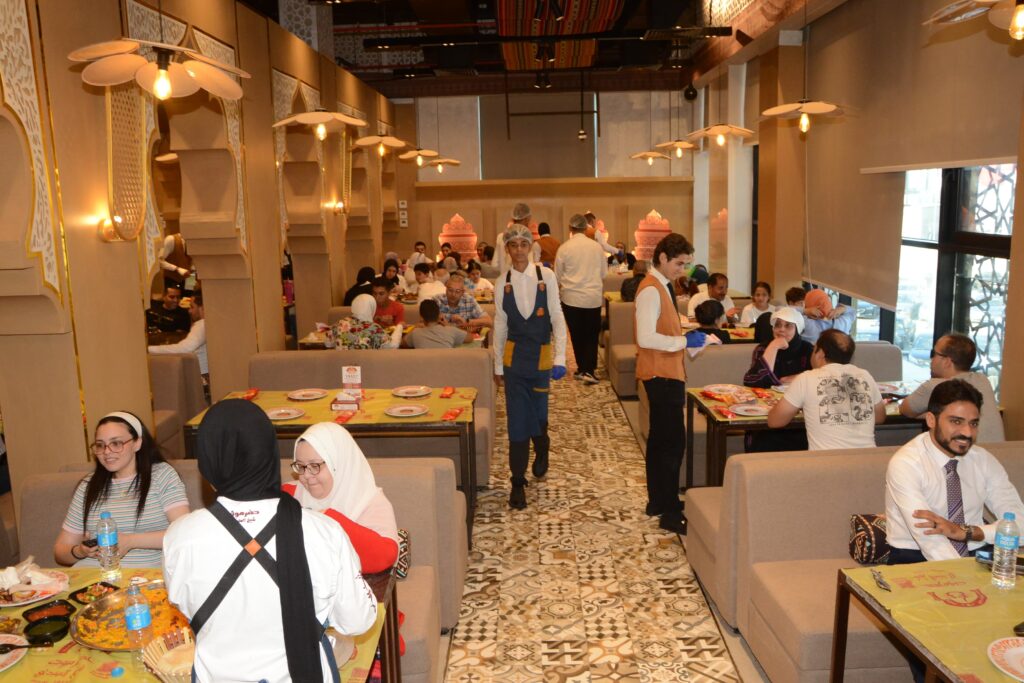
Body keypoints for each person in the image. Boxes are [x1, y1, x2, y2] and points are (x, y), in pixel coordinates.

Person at [163, 399, 377, 683]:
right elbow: (357, 620)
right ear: (269, 454)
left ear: (209, 464)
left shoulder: (179, 536)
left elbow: (184, 605)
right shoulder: (323, 531)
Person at [886, 378, 1024, 564]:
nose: (967, 433)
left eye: (973, 423)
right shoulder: (907, 463)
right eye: (956, 421)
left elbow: (1020, 525)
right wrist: (965, 576)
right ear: (931, 420)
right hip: (916, 554)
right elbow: (930, 540)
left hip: (976, 548)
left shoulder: (983, 460)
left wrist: (968, 532)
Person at [634, 233, 706, 536]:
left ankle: (657, 501)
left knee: (661, 442)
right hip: (660, 376)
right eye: (679, 263)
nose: (683, 270)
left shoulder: (662, 285)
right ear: (662, 258)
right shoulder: (651, 289)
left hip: (666, 373)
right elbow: (645, 337)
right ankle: (669, 511)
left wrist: (684, 334)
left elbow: (662, 327)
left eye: (687, 264)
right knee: (672, 444)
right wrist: (684, 341)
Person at [493, 224, 568, 510]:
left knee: (538, 414)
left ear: (530, 247)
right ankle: (517, 482)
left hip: (541, 356)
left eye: (524, 244)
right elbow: (500, 324)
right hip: (514, 358)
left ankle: (543, 445)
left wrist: (560, 357)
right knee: (517, 419)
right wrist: (498, 364)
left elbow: (557, 316)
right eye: (514, 245)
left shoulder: (545, 276)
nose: (519, 250)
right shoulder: (502, 283)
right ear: (508, 249)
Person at [55, 411, 189, 567]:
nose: (107, 452)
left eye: (116, 443)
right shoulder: (88, 485)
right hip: (91, 575)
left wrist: (131, 541)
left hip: (143, 576)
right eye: (100, 445)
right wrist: (80, 551)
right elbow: (60, 551)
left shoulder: (161, 475)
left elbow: (184, 533)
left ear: (137, 443)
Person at [285, 422, 399, 573]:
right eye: (300, 466)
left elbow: (385, 556)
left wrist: (326, 519)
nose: (306, 475)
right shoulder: (288, 495)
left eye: (315, 466)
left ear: (339, 464)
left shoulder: (370, 501)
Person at [767, 329, 886, 450]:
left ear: (820, 353)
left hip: (826, 460)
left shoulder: (806, 378)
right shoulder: (865, 376)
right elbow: (880, 417)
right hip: (868, 458)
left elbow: (775, 421)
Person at [900, 333, 1005, 442]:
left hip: (966, 451)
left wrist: (931, 415)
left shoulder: (935, 386)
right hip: (1000, 451)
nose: (931, 359)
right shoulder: (983, 380)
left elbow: (905, 410)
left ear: (947, 361)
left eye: (934, 354)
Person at [743, 308, 813, 452]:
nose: (781, 329)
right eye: (778, 325)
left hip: (798, 416)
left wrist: (797, 377)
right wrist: (774, 347)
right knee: (762, 441)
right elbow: (753, 382)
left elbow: (818, 377)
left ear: (798, 329)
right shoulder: (763, 348)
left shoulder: (808, 349)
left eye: (788, 326)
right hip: (765, 415)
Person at [554, 213, 607, 385]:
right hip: (592, 297)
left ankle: (583, 368)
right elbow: (604, 273)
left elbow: (557, 275)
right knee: (591, 334)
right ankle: (588, 370)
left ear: (570, 228)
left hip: (571, 298)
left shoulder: (564, 248)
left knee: (576, 334)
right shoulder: (597, 247)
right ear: (586, 228)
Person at [149, 290, 209, 376]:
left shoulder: (202, 324)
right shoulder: (208, 323)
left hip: (200, 375)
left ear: (201, 308)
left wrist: (149, 349)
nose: (189, 311)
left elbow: (185, 348)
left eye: (192, 307)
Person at [332, 295, 402, 350]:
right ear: (372, 308)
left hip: (340, 363)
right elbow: (393, 346)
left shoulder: (338, 324)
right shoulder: (374, 329)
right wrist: (399, 326)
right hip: (366, 363)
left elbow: (328, 343)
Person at [495, 203, 533, 275]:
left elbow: (495, 264)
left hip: (505, 278)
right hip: (524, 278)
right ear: (527, 219)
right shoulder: (527, 237)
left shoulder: (501, 237)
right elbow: (530, 263)